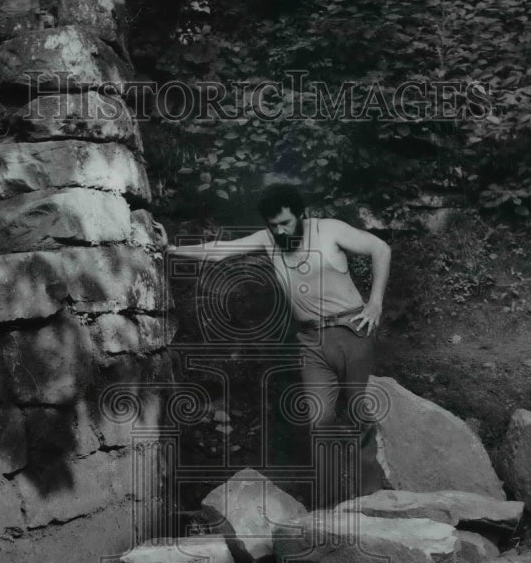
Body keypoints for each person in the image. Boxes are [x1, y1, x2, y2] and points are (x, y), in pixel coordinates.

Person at [166, 183, 391, 503]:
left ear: (302, 214)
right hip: (310, 341)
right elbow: (218, 250)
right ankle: (330, 508)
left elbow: (381, 248)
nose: (281, 230)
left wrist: (376, 303)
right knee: (319, 422)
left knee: (356, 413)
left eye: (286, 222)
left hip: (351, 329)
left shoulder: (330, 230)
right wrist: (172, 250)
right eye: (274, 225)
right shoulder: (268, 240)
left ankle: (374, 499)